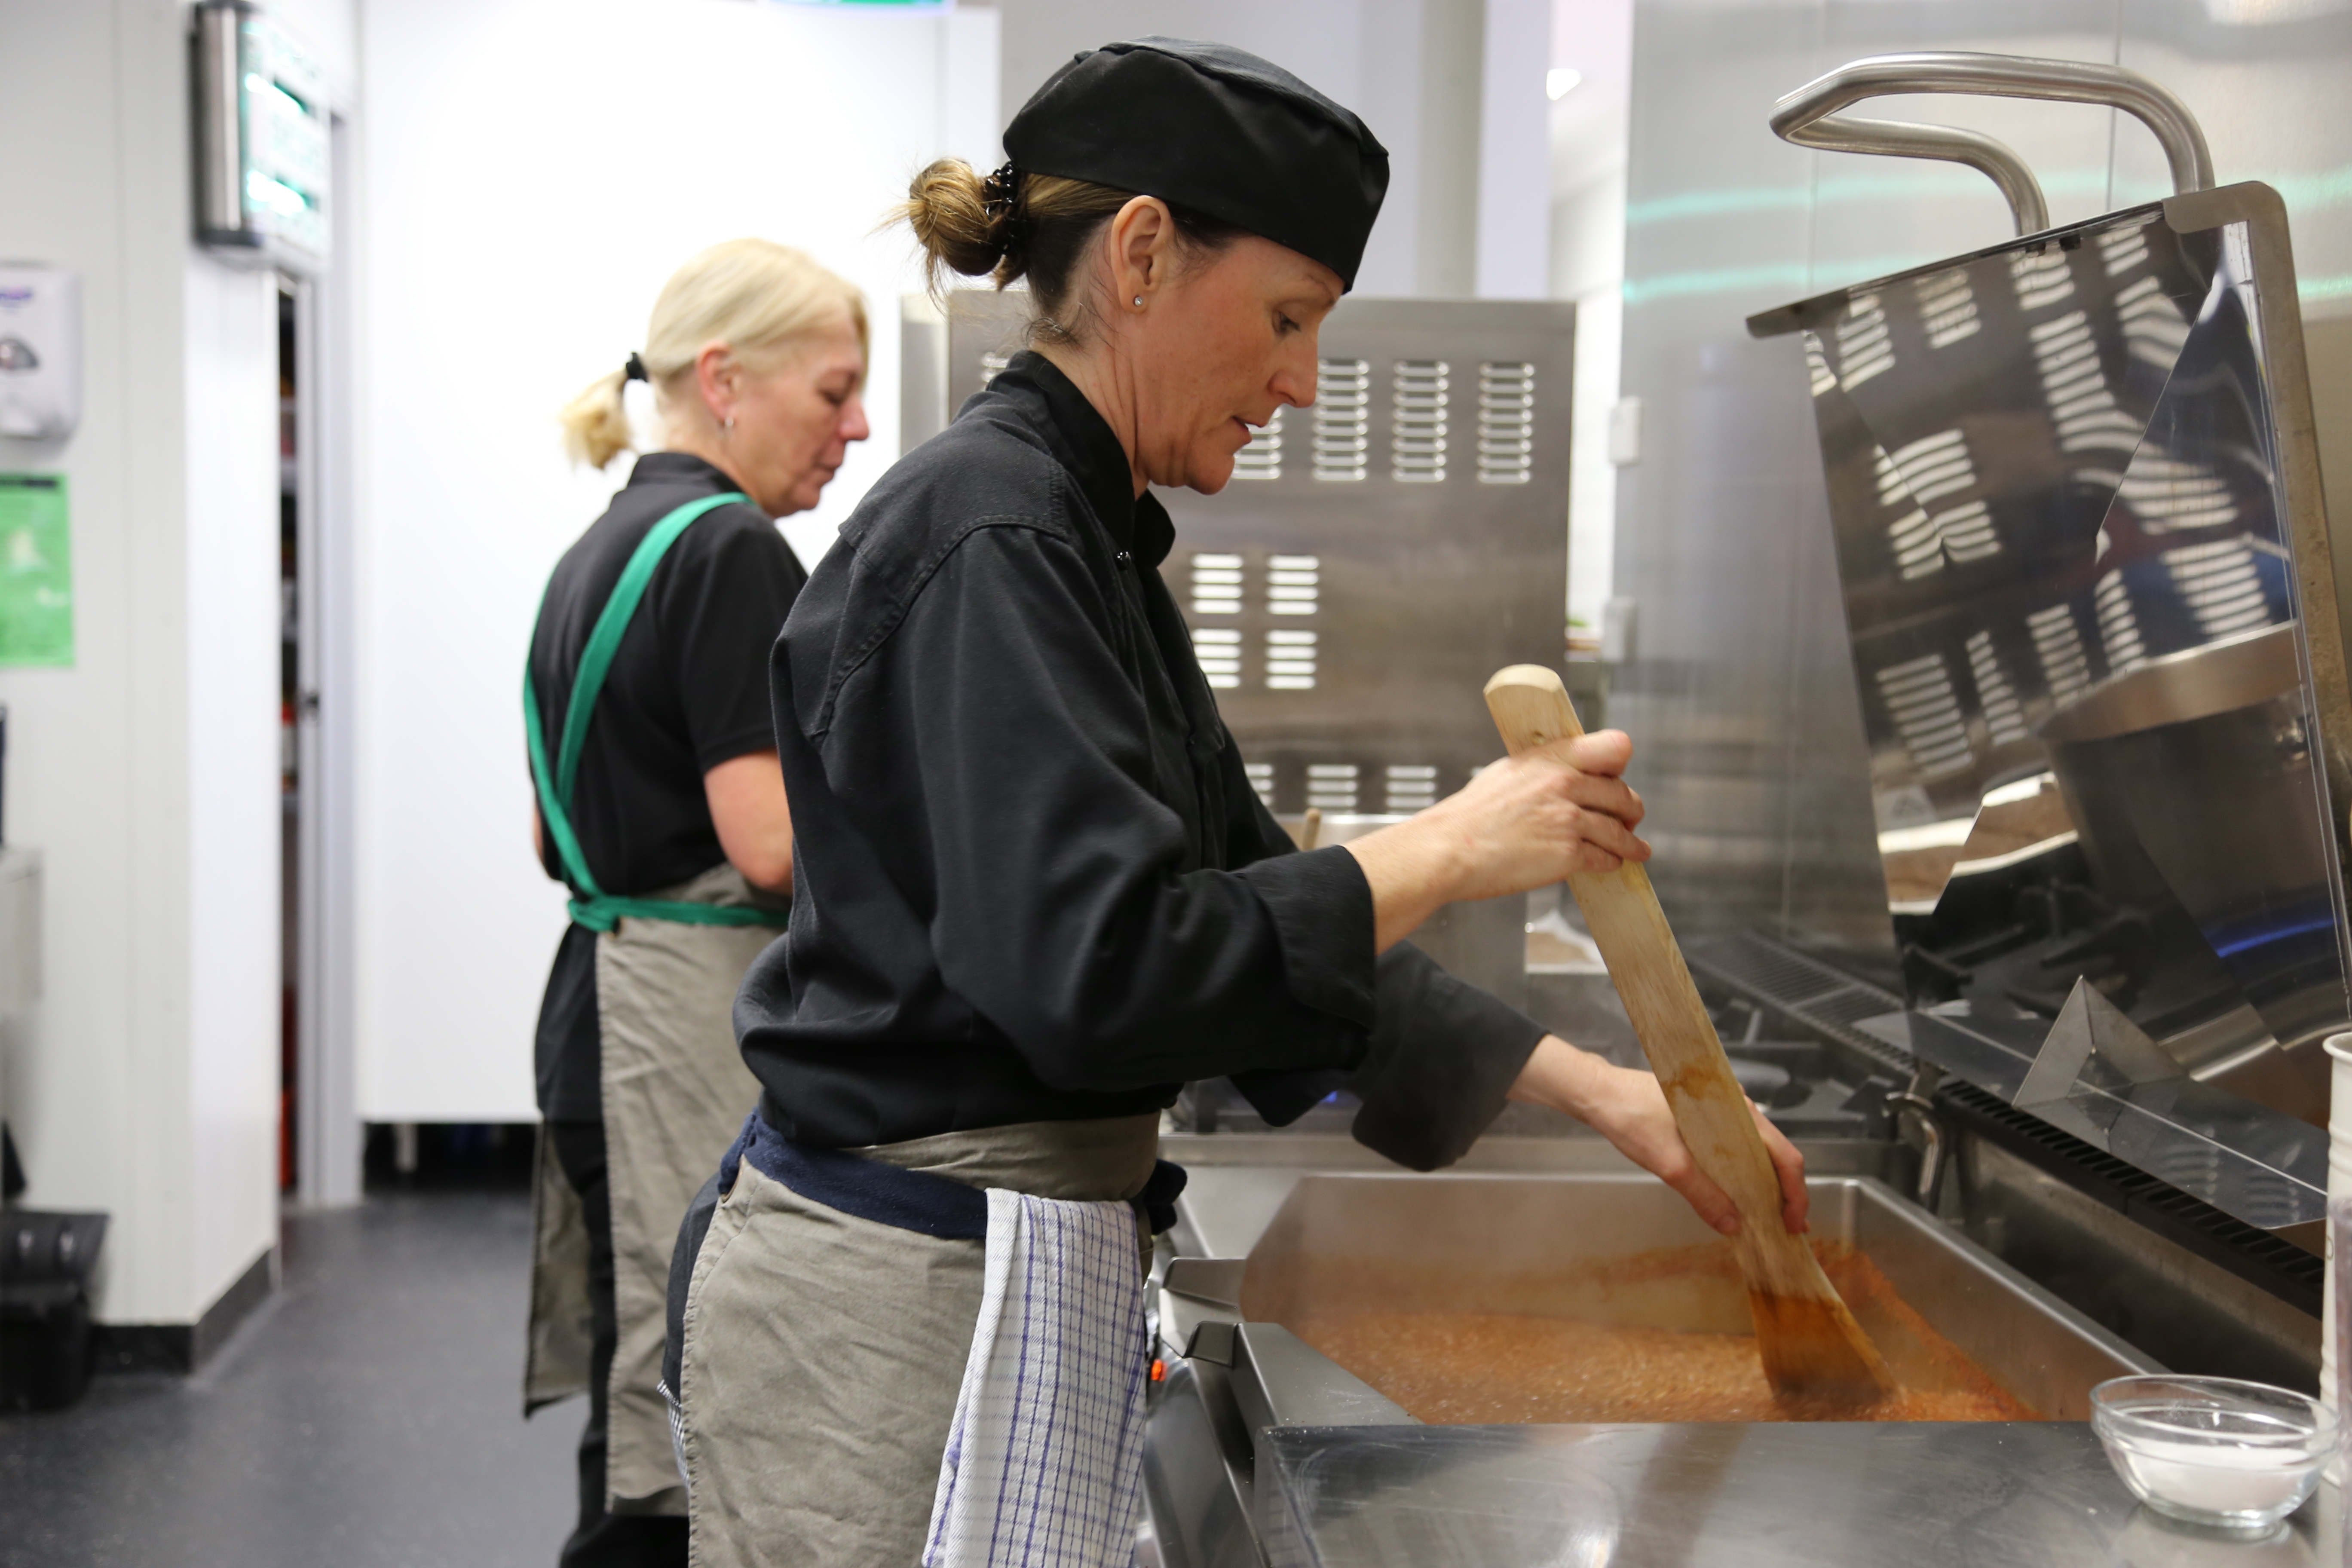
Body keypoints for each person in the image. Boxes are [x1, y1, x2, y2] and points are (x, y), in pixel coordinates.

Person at [670, 41, 1808, 1567]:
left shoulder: (1081, 535)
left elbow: (1248, 904)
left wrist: (1603, 1094)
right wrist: (1456, 844)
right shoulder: (994, 533)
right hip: (896, 1307)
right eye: (1286, 320)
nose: (1301, 380)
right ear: (1141, 255)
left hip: (990, 1265)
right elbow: (1107, 972)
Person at [524, 237, 869, 1568]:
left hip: (602, 1008)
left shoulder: (606, 541)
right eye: (833, 390)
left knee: (642, 1385)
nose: (858, 423)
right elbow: (772, 848)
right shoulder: (728, 552)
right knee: (684, 1422)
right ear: (723, 379)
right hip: (677, 1019)